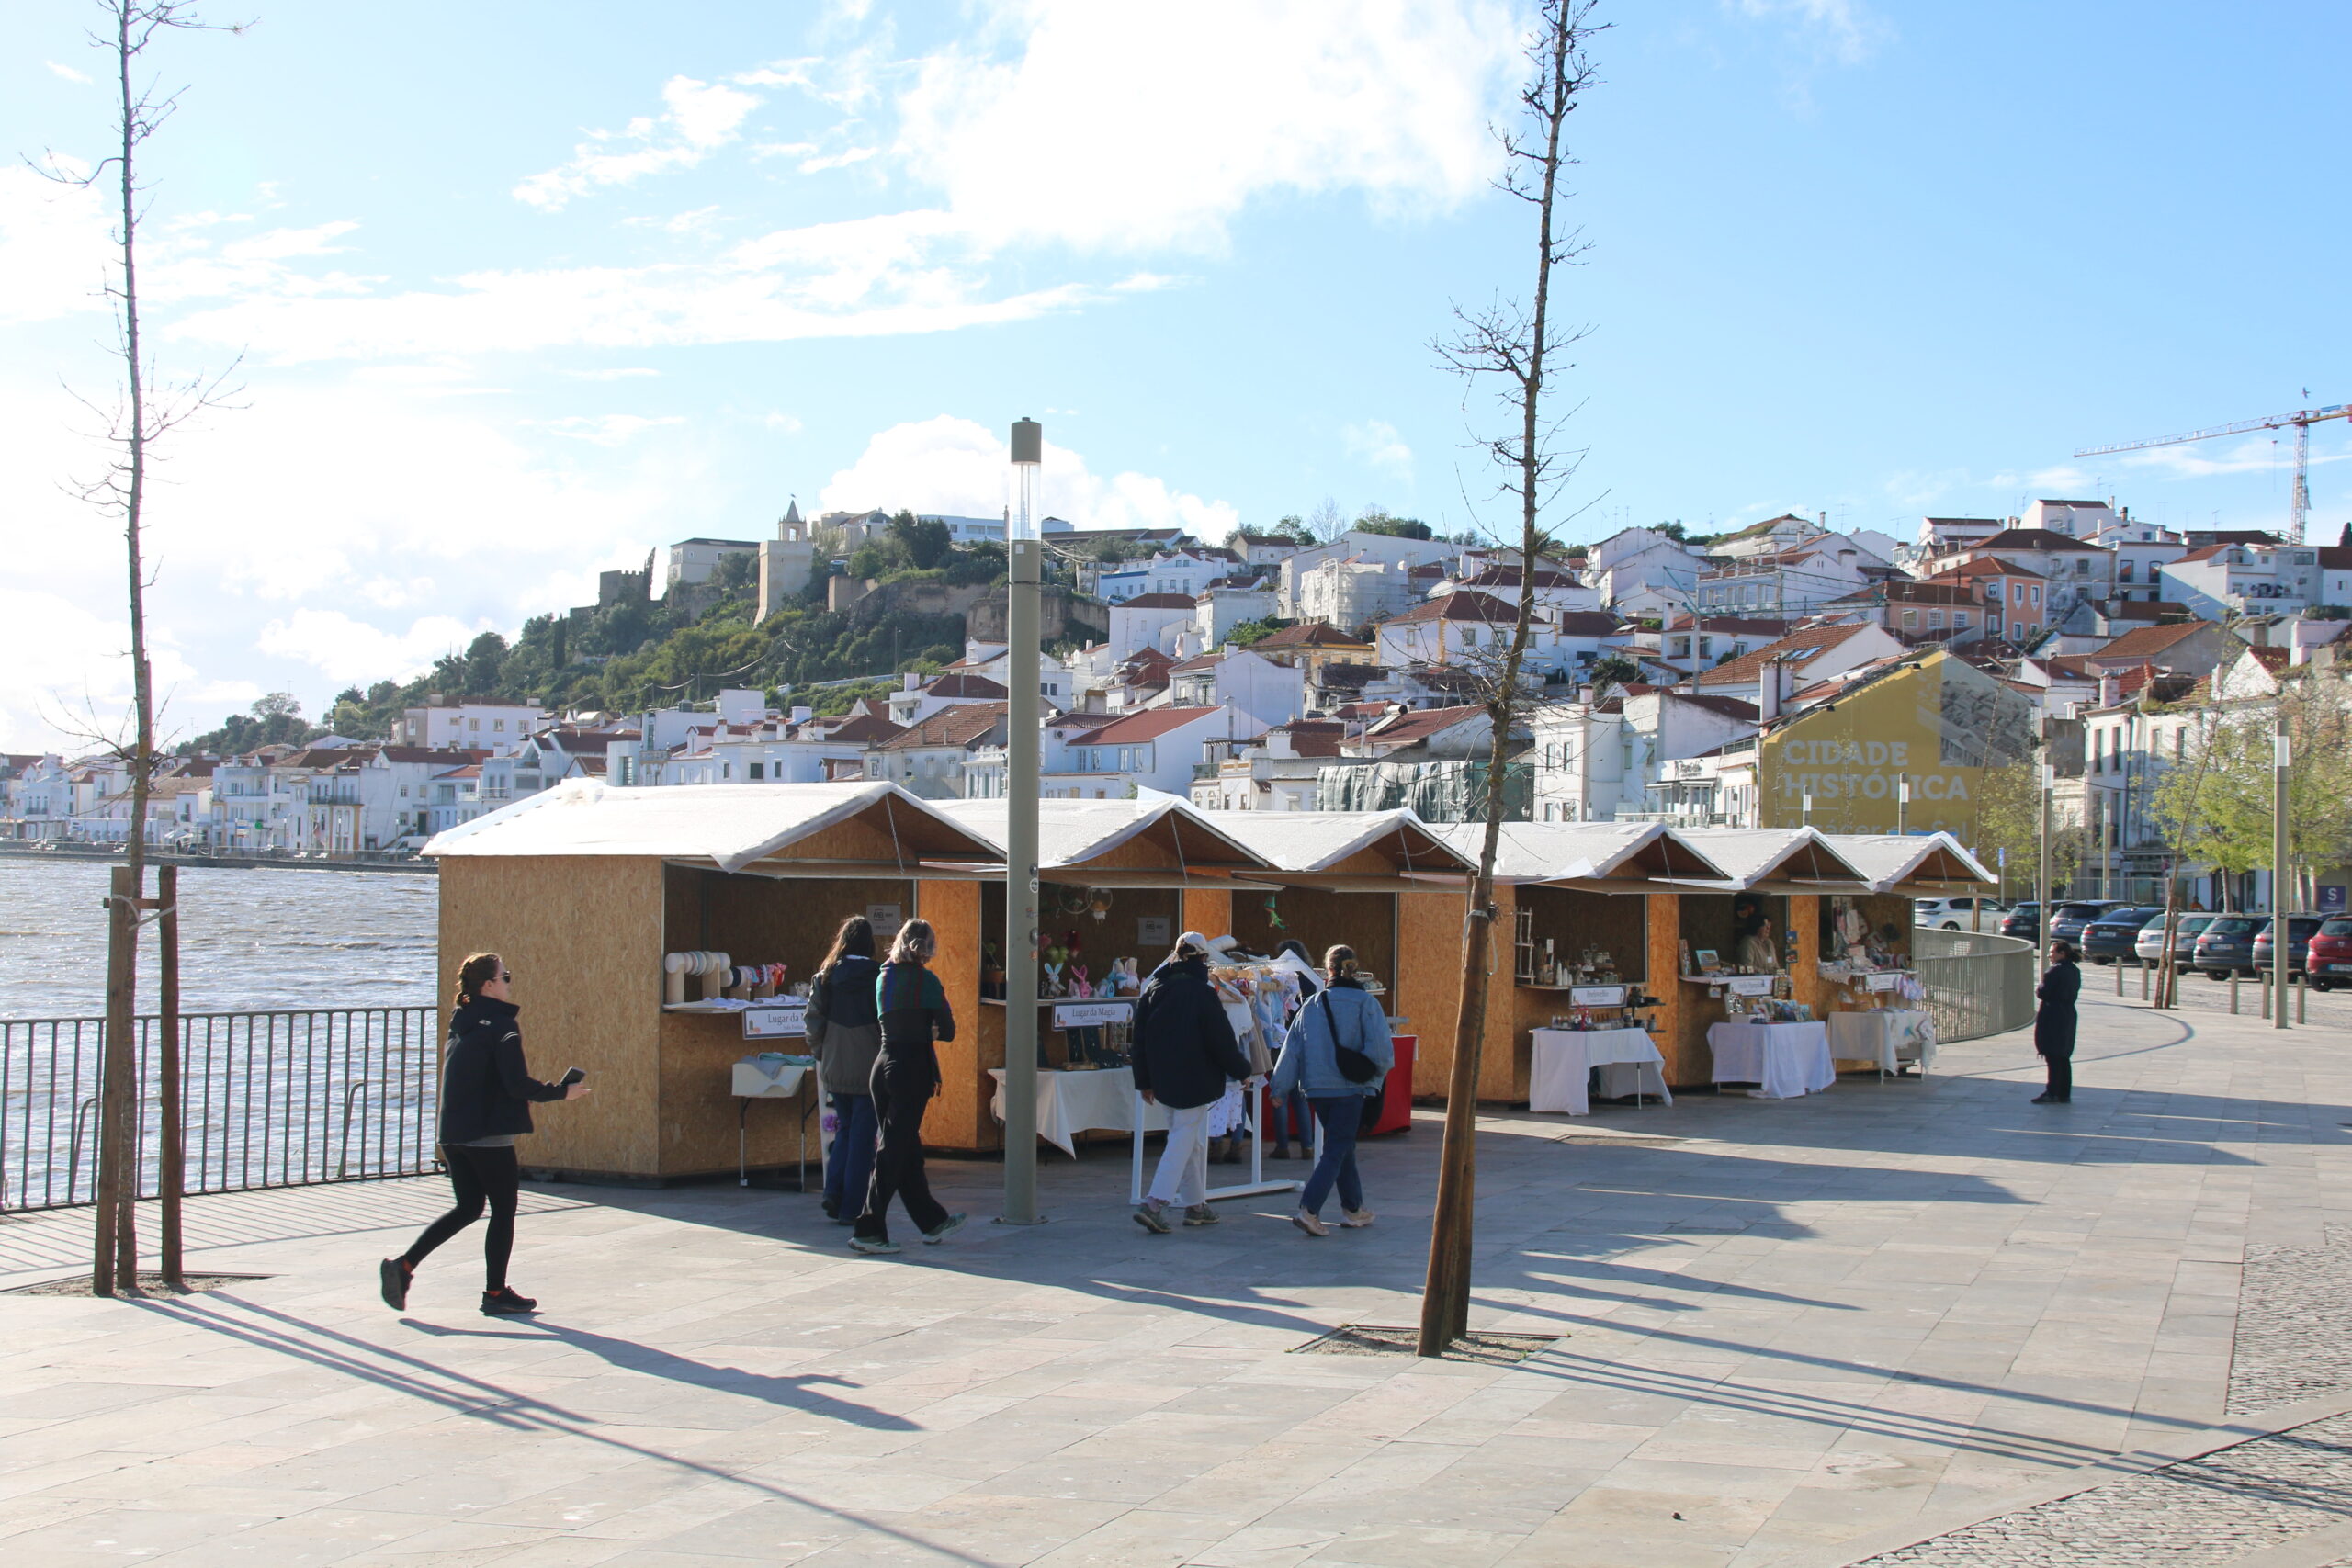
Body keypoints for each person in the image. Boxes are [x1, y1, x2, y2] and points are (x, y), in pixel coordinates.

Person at [381, 953, 588, 1314]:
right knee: (503, 1209)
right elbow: (516, 1083)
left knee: (468, 1207)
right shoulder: (501, 1025)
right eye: (505, 976)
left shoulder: (461, 1021)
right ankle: (495, 1294)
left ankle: (404, 1266)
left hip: (453, 1132)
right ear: (489, 985)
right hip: (487, 1134)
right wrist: (561, 1091)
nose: (509, 982)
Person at [850, 919, 966, 1255]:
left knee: (906, 1148)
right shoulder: (926, 981)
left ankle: (931, 1220)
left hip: (882, 1065)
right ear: (927, 948)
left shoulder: (884, 976)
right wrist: (928, 1027)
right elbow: (948, 1030)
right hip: (911, 1069)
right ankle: (869, 1229)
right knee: (893, 1150)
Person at [1130, 931, 1253, 1234]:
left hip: (1162, 1077)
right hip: (1195, 1077)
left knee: (1189, 1141)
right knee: (1183, 1139)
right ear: (1202, 959)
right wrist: (1242, 1070)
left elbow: (1140, 1039)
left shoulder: (1154, 987)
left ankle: (1196, 1206)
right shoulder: (1202, 992)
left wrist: (1144, 1080)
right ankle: (1155, 1202)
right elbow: (1221, 1040)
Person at [1272, 944, 1393, 1237]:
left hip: (1316, 1090)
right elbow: (1381, 1052)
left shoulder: (1311, 1004)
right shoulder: (1366, 1003)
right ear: (1355, 967)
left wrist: (1280, 1088)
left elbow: (1292, 1050)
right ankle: (1309, 1209)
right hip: (1350, 1088)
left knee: (1343, 1145)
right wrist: (1375, 1076)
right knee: (1338, 1147)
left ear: (1327, 970)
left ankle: (1353, 1209)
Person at [806, 916, 882, 1225]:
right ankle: (851, 1206)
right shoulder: (880, 976)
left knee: (846, 1130)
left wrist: (822, 1053)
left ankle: (833, 1193)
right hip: (870, 1066)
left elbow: (812, 1022)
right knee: (863, 1138)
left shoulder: (824, 977)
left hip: (835, 1063)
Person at [1268, 939, 1320, 1160]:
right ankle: (1307, 1146)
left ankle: (1283, 1146)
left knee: (1279, 1093)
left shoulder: (1279, 977)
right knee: (1300, 1097)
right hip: (1305, 1040)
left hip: (1281, 1038)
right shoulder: (1312, 979)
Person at [2032, 938, 2081, 1105]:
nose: (2049, 955)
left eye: (2052, 952)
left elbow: (2043, 992)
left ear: (2062, 953)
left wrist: (2039, 987)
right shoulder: (2074, 970)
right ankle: (2063, 1093)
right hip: (2068, 1013)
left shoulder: (2054, 971)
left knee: (2053, 1055)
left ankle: (2052, 1091)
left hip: (2053, 1014)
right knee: (2063, 1055)